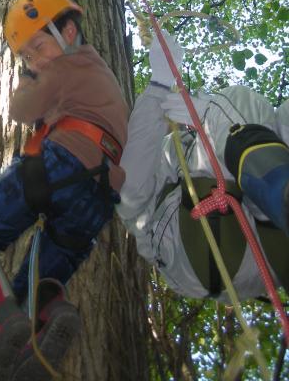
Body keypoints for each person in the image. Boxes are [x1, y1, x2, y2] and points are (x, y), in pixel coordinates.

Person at [0, 0, 129, 381]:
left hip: (58, 164)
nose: (33, 59)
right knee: (35, 280)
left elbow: (20, 110)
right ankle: (42, 323)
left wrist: (28, 80)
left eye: (36, 47)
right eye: (26, 56)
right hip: (98, 194)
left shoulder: (65, 67)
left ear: (66, 32)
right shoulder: (97, 73)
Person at [117, 31, 289, 300]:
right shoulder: (169, 155)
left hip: (260, 252)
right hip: (203, 247)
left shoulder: (181, 153)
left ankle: (275, 195)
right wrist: (160, 86)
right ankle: (277, 192)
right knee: (240, 99)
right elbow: (129, 192)